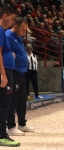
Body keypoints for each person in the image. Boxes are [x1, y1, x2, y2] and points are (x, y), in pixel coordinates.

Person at [6, 17, 35, 136]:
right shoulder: (8, 36)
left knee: (22, 99)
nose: (25, 32)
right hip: (13, 71)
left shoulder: (18, 37)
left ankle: (22, 123)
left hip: (21, 72)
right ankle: (11, 126)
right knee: (12, 100)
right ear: (16, 26)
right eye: (23, 29)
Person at [0, 6, 20, 147]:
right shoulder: (1, 30)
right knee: (3, 105)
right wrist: (3, 74)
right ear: (5, 16)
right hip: (5, 71)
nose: (13, 22)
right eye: (13, 19)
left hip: (6, 69)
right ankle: (2, 136)